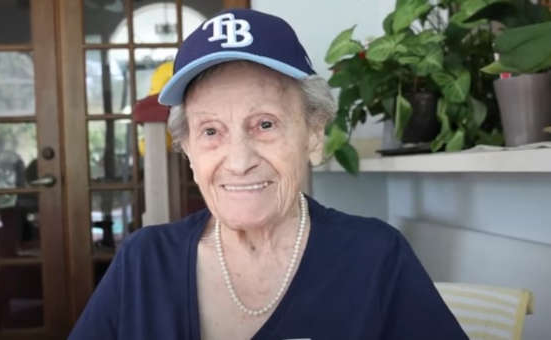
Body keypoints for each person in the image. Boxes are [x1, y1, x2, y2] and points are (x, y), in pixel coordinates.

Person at [69, 9, 468, 340]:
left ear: (314, 135)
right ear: (188, 149)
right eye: (211, 131)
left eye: (265, 125)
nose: (239, 161)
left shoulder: (375, 257)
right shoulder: (143, 263)